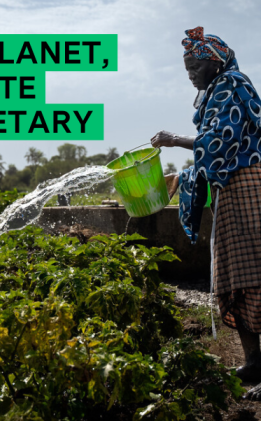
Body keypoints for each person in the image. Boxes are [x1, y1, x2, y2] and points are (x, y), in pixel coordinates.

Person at [151, 26, 261, 399]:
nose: (190, 75)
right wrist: (183, 176)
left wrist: (174, 140)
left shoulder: (233, 83)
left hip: (249, 188)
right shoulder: (216, 90)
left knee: (256, 273)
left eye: (195, 67)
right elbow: (214, 152)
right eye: (187, 69)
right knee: (235, 274)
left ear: (213, 62)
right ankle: (254, 362)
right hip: (229, 191)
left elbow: (221, 140)